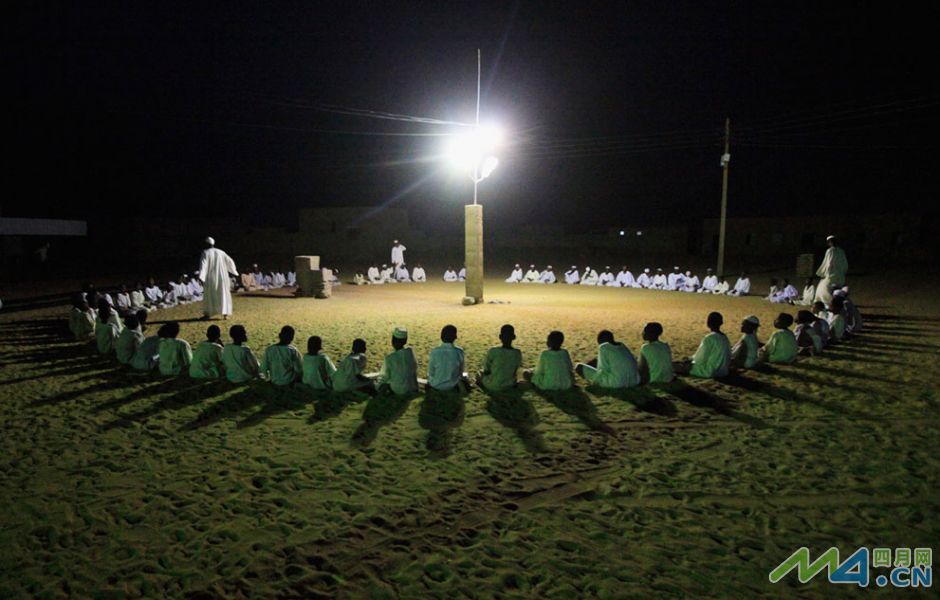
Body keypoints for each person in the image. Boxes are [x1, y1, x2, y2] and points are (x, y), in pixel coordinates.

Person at [676, 312, 732, 378]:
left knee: (677, 366)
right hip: (723, 372)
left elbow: (700, 359)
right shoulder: (725, 337)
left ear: (708, 323)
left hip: (710, 372)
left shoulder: (709, 338)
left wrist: (689, 361)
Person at [198, 237, 238, 320]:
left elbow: (203, 265)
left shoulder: (205, 252)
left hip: (211, 277)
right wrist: (233, 271)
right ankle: (225, 314)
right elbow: (230, 261)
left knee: (209, 295)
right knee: (223, 294)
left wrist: (201, 277)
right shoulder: (221, 252)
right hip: (223, 276)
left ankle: (208, 314)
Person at [476, 324, 522, 392]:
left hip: (493, 385)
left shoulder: (493, 351)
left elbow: (486, 369)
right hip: (510, 384)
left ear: (500, 337)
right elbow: (516, 369)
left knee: (479, 374)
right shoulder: (517, 353)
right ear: (513, 337)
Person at [376, 327, 419, 395]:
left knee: (383, 385)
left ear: (392, 341)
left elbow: (383, 377)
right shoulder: (410, 352)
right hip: (413, 387)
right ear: (405, 340)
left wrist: (377, 386)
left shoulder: (390, 358)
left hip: (400, 391)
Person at [428, 325, 470, 392]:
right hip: (453, 385)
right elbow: (462, 371)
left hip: (436, 384)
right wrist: (466, 378)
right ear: (455, 337)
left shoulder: (434, 351)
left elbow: (431, 372)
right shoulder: (459, 352)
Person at [815, 235, 848, 304]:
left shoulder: (830, 251)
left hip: (831, 275)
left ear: (829, 243)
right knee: (838, 289)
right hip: (840, 276)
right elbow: (845, 263)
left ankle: (828, 302)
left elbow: (828, 263)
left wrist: (825, 273)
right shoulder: (841, 251)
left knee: (824, 288)